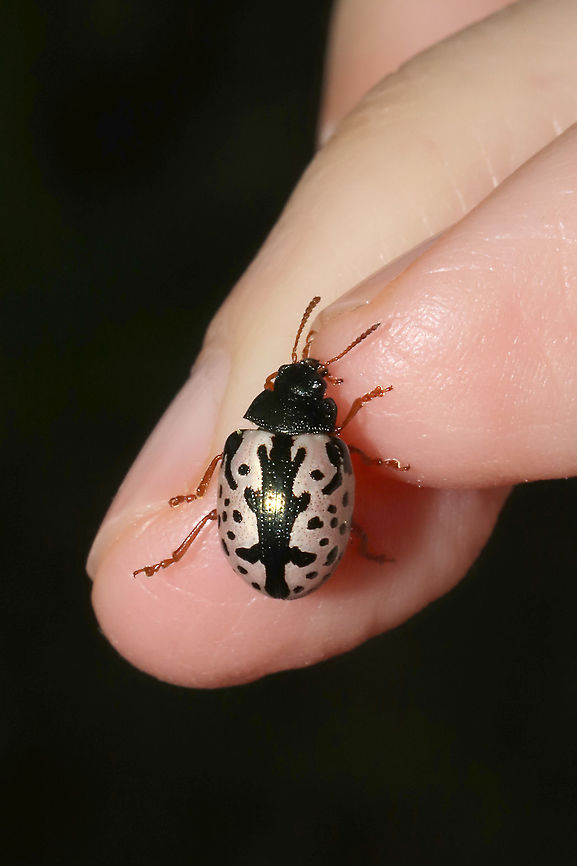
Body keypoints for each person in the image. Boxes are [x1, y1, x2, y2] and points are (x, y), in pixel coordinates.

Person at [88, 0, 577, 688]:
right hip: (300, 556)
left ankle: (179, 556)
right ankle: (306, 547)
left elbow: (312, 487)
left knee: (223, 505)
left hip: (292, 557)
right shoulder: (323, 444)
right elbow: (346, 477)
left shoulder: (264, 443)